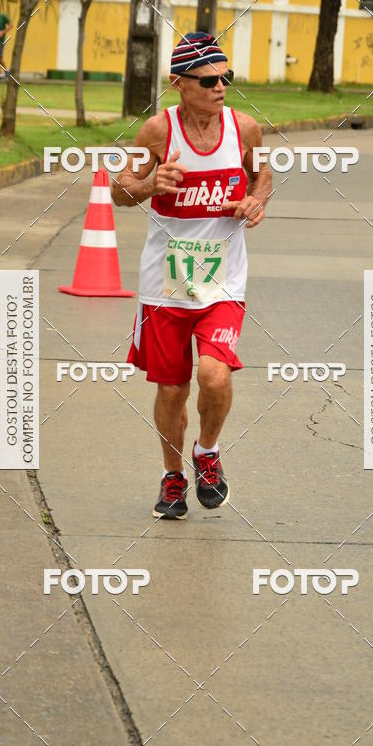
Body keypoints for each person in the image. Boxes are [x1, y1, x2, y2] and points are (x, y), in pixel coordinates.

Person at [111, 32, 272, 520]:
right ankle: (173, 476)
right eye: (208, 80)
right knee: (172, 389)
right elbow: (120, 190)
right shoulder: (158, 132)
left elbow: (262, 175)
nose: (220, 87)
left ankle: (207, 451)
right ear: (179, 83)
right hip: (166, 285)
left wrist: (255, 201)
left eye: (226, 78)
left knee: (214, 375)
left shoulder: (244, 129)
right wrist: (149, 184)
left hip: (224, 281)